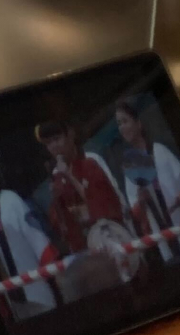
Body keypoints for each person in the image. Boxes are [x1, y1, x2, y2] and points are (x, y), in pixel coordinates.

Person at [37, 118, 142, 290]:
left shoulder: (91, 161)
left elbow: (103, 201)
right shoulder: (56, 177)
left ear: (69, 136)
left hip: (110, 239)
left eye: (57, 139)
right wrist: (57, 200)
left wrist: (69, 176)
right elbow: (61, 224)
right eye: (48, 143)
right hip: (85, 250)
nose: (54, 146)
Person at [0, 150, 61, 317]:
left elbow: (38, 242)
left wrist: (58, 277)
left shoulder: (9, 199)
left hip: (36, 294)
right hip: (5, 308)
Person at [113, 100, 180, 263]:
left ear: (138, 124)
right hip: (160, 231)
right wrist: (141, 200)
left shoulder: (160, 151)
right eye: (119, 123)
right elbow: (135, 206)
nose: (122, 127)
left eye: (125, 121)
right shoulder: (130, 164)